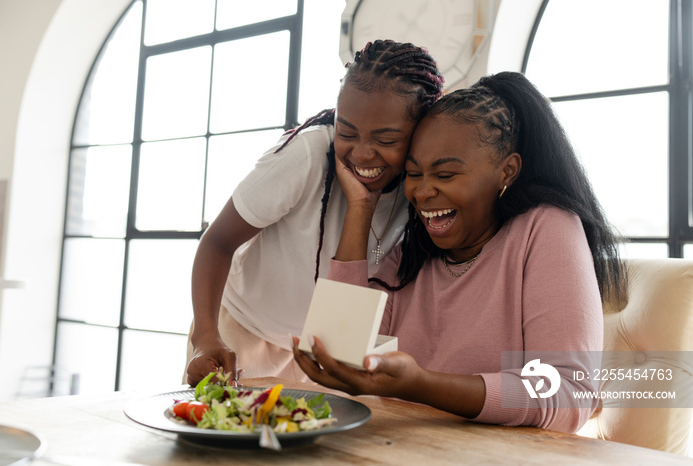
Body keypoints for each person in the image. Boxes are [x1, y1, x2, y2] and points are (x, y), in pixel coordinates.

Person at [292, 71, 627, 433]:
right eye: (414, 174)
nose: (422, 192)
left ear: (507, 171)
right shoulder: (412, 254)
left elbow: (566, 392)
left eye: (446, 175)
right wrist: (360, 208)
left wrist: (420, 385)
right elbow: (338, 352)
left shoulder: (545, 228)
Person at [184, 40, 445, 387]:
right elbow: (216, 242)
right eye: (347, 131)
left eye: (386, 140)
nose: (363, 154)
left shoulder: (420, 190)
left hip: (321, 357)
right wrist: (206, 336)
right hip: (239, 338)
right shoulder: (307, 156)